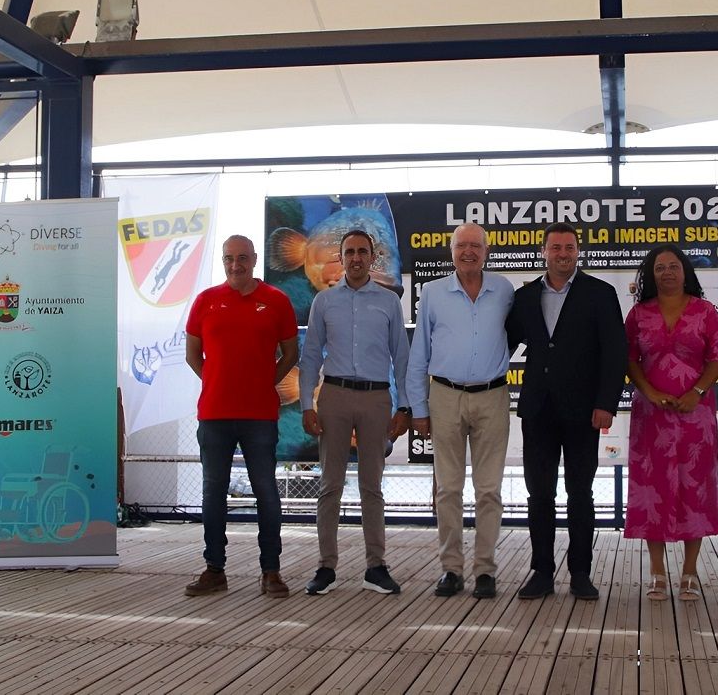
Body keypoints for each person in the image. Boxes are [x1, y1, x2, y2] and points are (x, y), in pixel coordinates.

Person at [506, 223, 627, 601]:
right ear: (543, 251)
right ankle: (542, 572)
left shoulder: (600, 293)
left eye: (569, 247)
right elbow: (502, 345)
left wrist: (607, 403)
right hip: (538, 411)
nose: (562, 253)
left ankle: (580, 574)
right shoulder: (525, 297)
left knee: (581, 494)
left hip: (584, 412)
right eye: (555, 247)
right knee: (538, 495)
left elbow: (615, 352)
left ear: (578, 252)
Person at [183, 235, 298, 599]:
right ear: (223, 260)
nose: (236, 265)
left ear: (255, 260)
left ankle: (271, 571)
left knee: (266, 492)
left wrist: (265, 382)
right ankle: (215, 569)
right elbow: (192, 355)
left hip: (259, 416)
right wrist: (218, 382)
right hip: (214, 415)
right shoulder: (205, 301)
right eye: (230, 258)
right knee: (212, 492)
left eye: (243, 258)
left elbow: (290, 354)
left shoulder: (277, 301)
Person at [299, 229, 412, 596]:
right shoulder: (324, 302)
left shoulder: (389, 302)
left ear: (372, 257)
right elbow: (311, 355)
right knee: (330, 486)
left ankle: (375, 566)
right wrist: (305, 404)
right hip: (333, 397)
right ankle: (326, 567)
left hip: (376, 400)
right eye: (350, 252)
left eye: (363, 252)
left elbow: (402, 358)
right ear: (342, 257)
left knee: (372, 487)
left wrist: (406, 406)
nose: (357, 258)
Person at [406, 222, 514, 600]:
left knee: (489, 490)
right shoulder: (433, 293)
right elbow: (419, 353)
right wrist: (418, 409)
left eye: (476, 246)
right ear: (451, 250)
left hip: (493, 396)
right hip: (445, 396)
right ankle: (450, 569)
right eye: (461, 246)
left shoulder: (504, 290)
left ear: (487, 251)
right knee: (447, 489)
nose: (468, 252)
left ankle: (485, 570)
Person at [624, 246, 718, 602]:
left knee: (692, 490)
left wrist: (698, 392)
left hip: (694, 417)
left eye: (673, 266)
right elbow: (630, 358)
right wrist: (649, 391)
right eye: (659, 267)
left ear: (685, 271)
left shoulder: (706, 312)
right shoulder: (639, 314)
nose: (667, 272)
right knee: (653, 491)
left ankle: (689, 572)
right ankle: (657, 572)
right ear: (650, 275)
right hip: (650, 416)